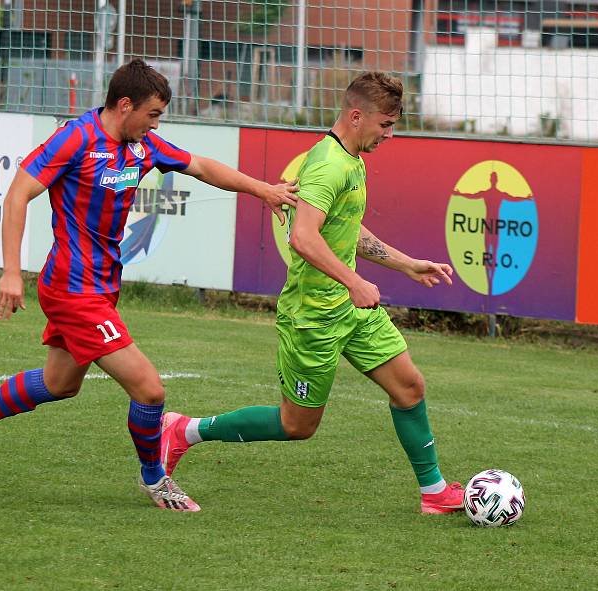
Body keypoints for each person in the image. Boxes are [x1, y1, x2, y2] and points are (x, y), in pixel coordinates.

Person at [0, 58, 298, 513]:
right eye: (153, 114)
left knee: (60, 383)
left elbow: (201, 166)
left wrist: (264, 191)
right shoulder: (76, 139)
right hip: (72, 288)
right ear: (125, 105)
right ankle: (156, 479)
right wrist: (10, 271)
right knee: (149, 389)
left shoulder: (143, 146)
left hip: (100, 287)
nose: (156, 124)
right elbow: (17, 194)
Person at [160, 71, 466, 514]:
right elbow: (303, 237)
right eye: (385, 124)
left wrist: (406, 263)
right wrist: (355, 281)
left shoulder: (353, 159)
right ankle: (183, 431)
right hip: (313, 316)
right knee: (296, 425)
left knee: (410, 387)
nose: (390, 134)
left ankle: (433, 492)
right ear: (357, 115)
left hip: (351, 310)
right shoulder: (327, 165)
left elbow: (345, 229)